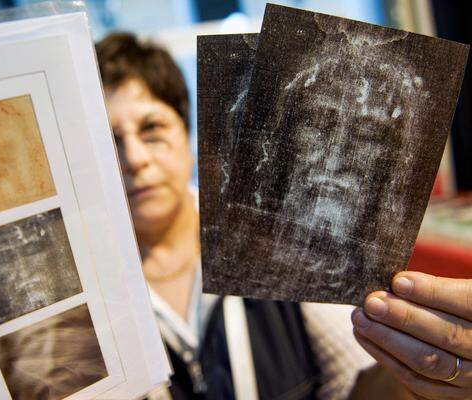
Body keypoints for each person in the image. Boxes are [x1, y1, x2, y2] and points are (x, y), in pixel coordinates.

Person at [96, 32, 472, 400]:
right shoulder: (88, 301)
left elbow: (355, 385)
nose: (134, 159)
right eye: (109, 139)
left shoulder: (281, 237)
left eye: (152, 130)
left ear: (187, 136)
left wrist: (412, 374)